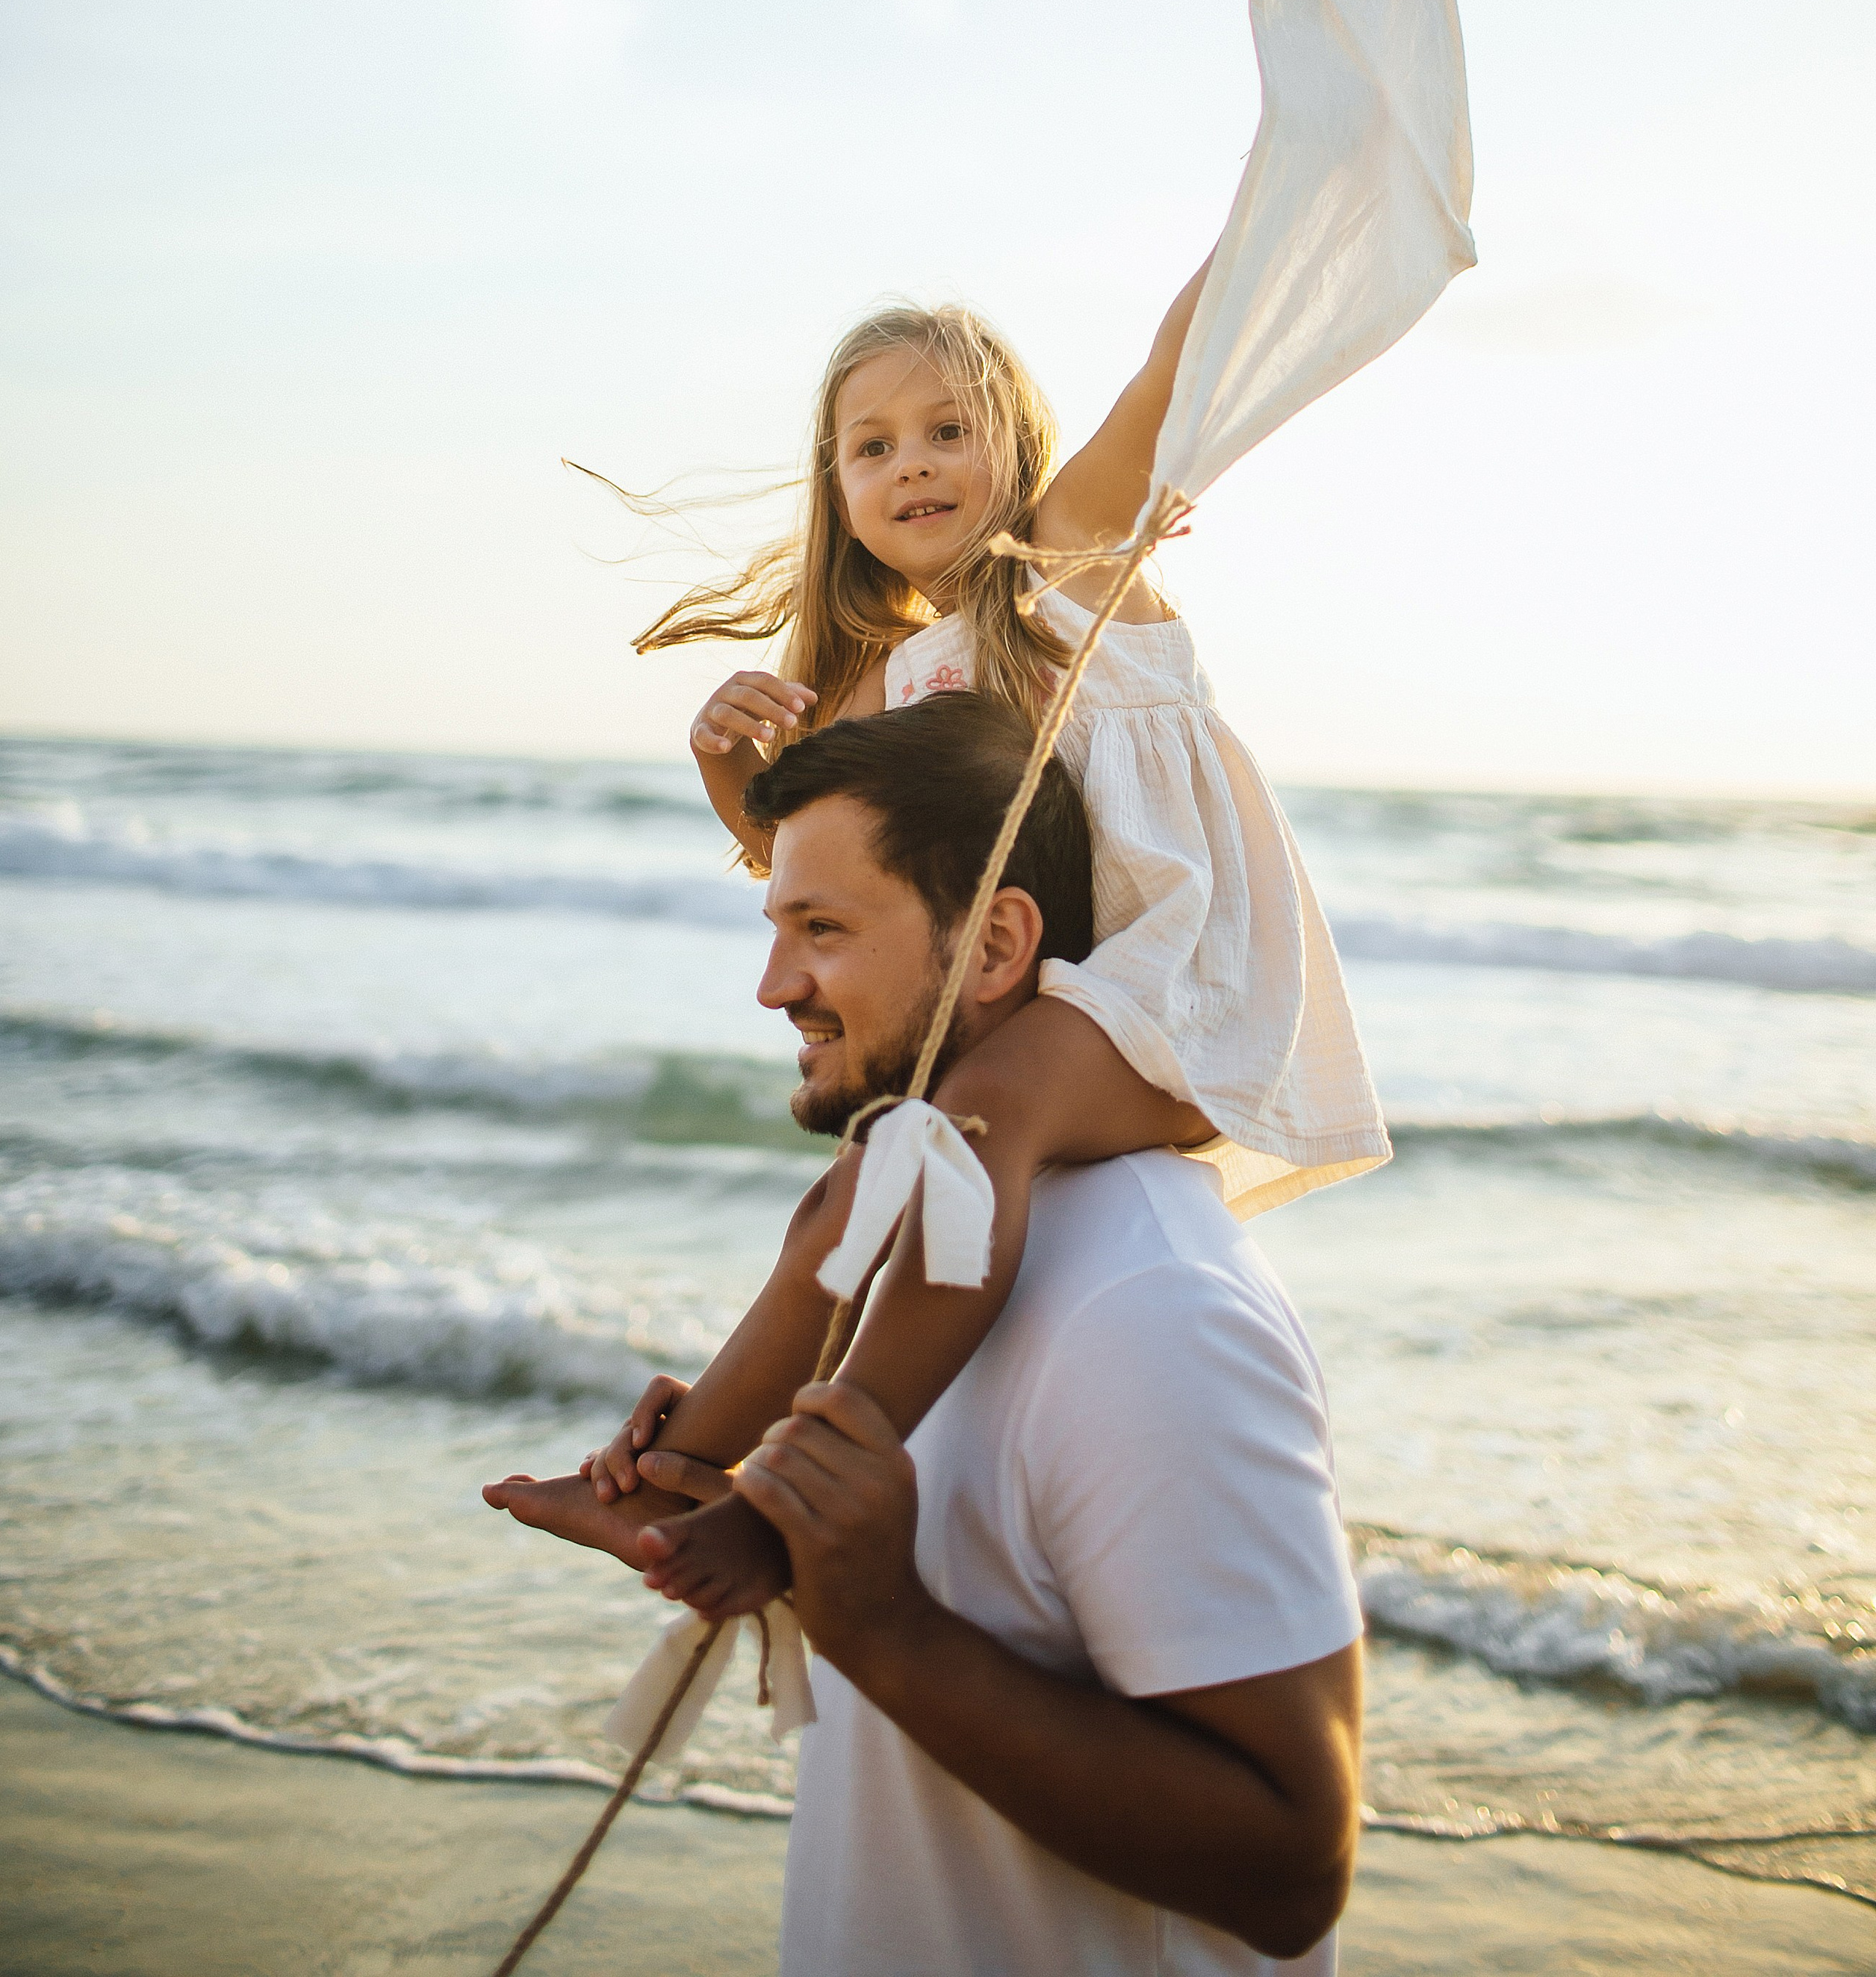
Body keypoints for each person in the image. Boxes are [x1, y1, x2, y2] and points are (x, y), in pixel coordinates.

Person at [485, 698, 1363, 1973]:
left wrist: (881, 1623)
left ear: (998, 942)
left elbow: (1291, 1871)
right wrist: (719, 1491)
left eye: (823, 931)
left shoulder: (1153, 1314)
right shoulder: (922, 1270)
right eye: (779, 928)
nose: (776, 984)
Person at [565, 286, 1386, 1616]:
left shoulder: (1070, 566)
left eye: (949, 429)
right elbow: (822, 884)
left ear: (1019, 447)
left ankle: (794, 1508)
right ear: (835, 490)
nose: (914, 465)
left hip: (1173, 1001)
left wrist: (1261, 201)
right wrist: (726, 768)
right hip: (1039, 1007)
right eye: (873, 446)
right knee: (844, 1198)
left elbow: (1169, 376)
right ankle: (679, 1466)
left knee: (968, 1133)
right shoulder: (883, 687)